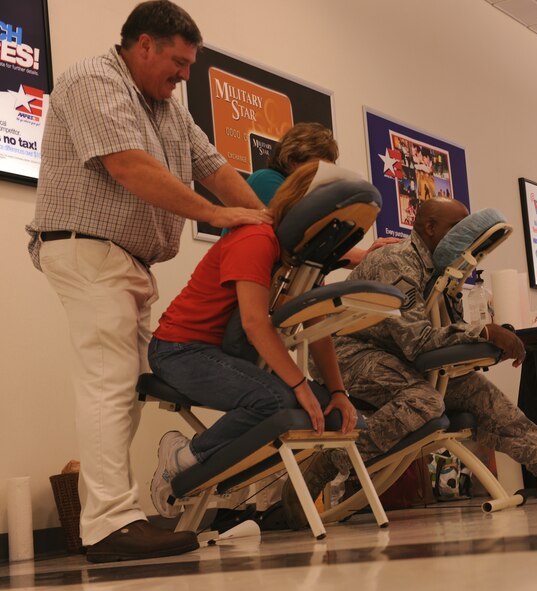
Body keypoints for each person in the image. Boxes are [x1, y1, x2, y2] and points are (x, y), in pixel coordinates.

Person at [25, 1, 271, 563]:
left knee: (122, 393)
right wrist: (216, 216)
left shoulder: (166, 106)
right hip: (88, 250)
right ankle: (109, 526)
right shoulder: (94, 78)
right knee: (108, 387)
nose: (185, 75)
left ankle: (119, 517)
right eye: (179, 63)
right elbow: (128, 167)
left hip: (128, 261)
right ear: (144, 46)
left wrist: (265, 226)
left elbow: (214, 167)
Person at [282, 198, 537, 529]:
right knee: (425, 401)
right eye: (457, 227)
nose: (467, 235)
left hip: (392, 352)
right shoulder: (397, 263)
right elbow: (418, 341)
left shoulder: (440, 273)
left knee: (476, 390)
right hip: (345, 352)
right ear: (430, 228)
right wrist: (483, 333)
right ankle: (330, 462)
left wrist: (488, 337)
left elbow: (441, 332)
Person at [147, 160, 357, 518]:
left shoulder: (301, 260)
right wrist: (299, 384)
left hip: (217, 353)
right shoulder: (257, 237)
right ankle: (181, 457)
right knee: (275, 400)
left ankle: (237, 493)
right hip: (179, 350)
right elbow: (255, 322)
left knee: (321, 408)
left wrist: (338, 394)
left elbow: (317, 326)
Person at [230, 122, 396, 266]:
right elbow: (302, 240)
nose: (323, 174)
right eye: (317, 167)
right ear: (292, 161)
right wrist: (363, 256)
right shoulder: (266, 179)